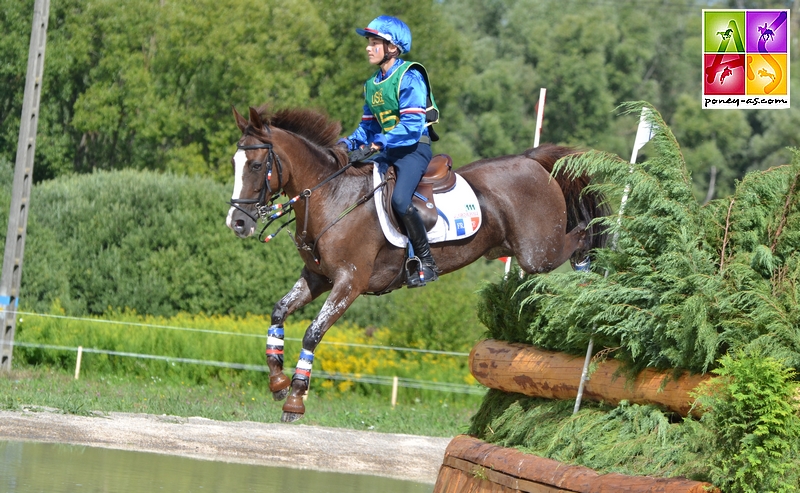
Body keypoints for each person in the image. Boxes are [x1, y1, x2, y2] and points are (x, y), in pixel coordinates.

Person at [339, 15, 441, 287]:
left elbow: (411, 126)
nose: (368, 48)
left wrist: (376, 145)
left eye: (375, 43)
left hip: (413, 150)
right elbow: (366, 129)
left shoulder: (410, 76)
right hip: (386, 151)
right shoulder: (371, 84)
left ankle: (426, 261)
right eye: (369, 43)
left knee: (398, 201)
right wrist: (345, 145)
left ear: (392, 48)